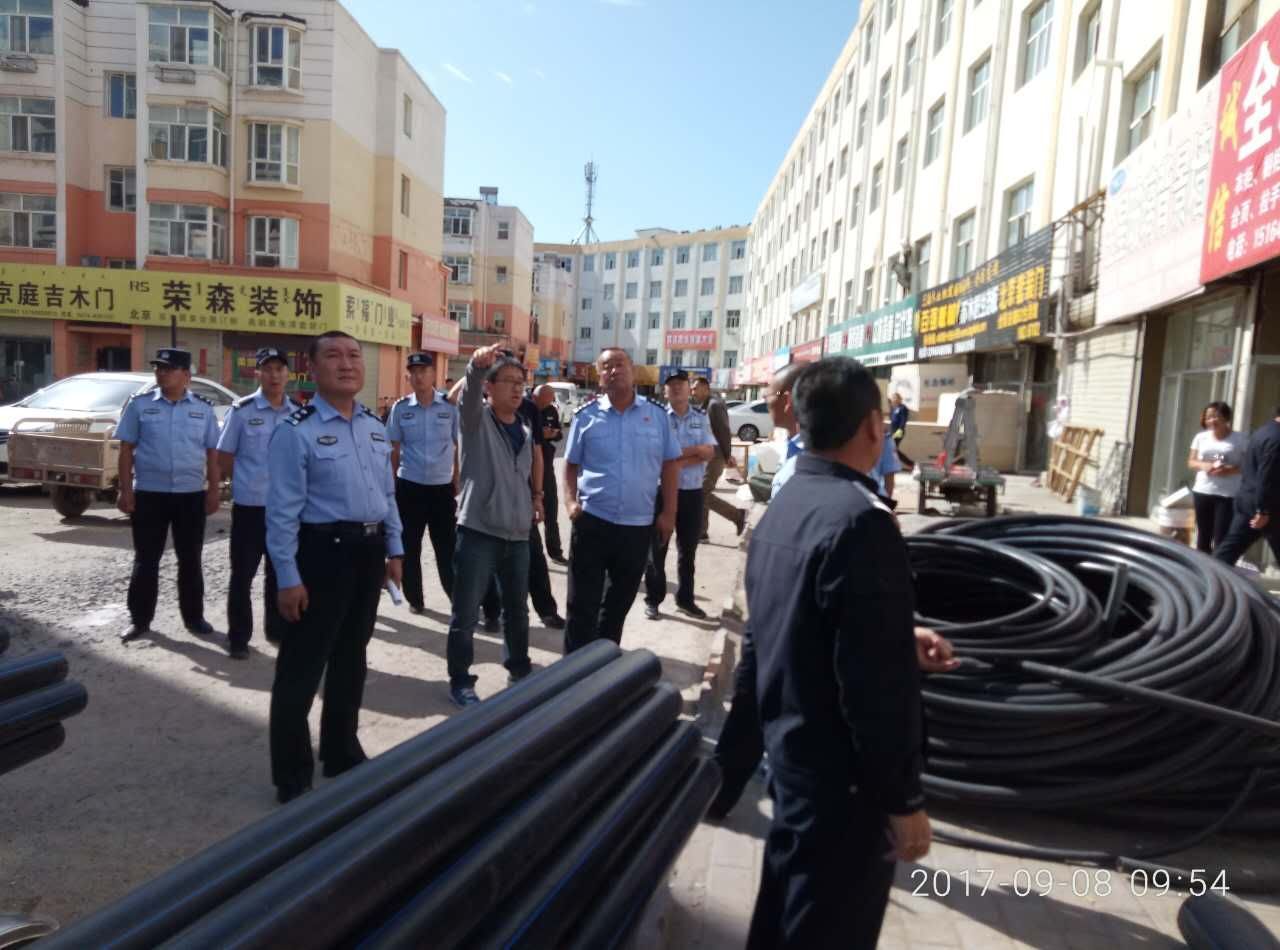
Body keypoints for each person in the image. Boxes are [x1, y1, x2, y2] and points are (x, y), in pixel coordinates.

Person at [744, 356, 932, 948]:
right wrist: (902, 797)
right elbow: (875, 687)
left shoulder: (790, 500)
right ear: (874, 426)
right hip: (845, 786)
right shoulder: (862, 522)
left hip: (792, 756)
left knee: (785, 914)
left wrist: (897, 636)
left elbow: (789, 623)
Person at [265, 330, 404, 804]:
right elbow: (281, 513)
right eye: (333, 356)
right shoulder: (295, 430)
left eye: (353, 355)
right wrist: (288, 577)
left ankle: (341, 751)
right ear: (313, 368)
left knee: (351, 658)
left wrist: (394, 550)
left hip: (367, 552)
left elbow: (387, 494)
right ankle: (292, 774)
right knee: (302, 666)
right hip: (320, 554)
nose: (346, 364)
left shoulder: (373, 426)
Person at [562, 348, 681, 651]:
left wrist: (669, 513)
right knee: (581, 605)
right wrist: (570, 502)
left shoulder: (657, 416)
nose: (614, 370)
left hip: (637, 527)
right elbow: (570, 464)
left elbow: (670, 465)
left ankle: (603, 667)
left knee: (617, 606)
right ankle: (571, 673)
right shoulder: (586, 416)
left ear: (633, 370)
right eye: (606, 366)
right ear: (599, 375)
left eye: (620, 364)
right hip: (593, 521)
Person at [444, 343, 540, 707]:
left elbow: (523, 476)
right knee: (466, 613)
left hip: (517, 535)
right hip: (479, 532)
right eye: (508, 381)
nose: (517, 389)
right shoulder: (475, 421)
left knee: (517, 609)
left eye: (521, 382)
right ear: (489, 386)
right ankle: (460, 680)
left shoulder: (525, 428)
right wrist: (475, 367)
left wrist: (534, 501)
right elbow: (466, 397)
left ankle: (519, 669)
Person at [116, 348, 221, 644]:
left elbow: (212, 454)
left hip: (190, 495)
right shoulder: (139, 405)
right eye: (158, 368)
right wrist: (125, 490)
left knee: (190, 559)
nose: (161, 373)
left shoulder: (203, 409)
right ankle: (139, 620)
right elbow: (126, 451)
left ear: (186, 375)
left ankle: (194, 617)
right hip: (150, 494)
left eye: (168, 369)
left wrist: (214, 491)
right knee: (146, 559)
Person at [215, 347, 300, 659]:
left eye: (280, 369)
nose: (274, 375)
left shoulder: (297, 413)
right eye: (268, 369)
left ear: (288, 374)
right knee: (242, 575)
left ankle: (277, 631)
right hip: (250, 507)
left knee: (279, 573)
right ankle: (239, 637)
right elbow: (225, 456)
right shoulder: (242, 410)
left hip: (285, 510)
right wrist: (244, 483)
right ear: (258, 373)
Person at [386, 352, 460, 614]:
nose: (418, 376)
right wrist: (391, 485)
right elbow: (393, 449)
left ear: (433, 375)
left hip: (442, 488)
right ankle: (415, 599)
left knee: (447, 547)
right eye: (413, 372)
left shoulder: (449, 407)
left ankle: (457, 599)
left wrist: (457, 479)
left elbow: (459, 445)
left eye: (423, 371)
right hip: (410, 485)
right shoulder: (400, 408)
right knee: (409, 545)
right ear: (408, 377)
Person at [643, 371, 717, 620]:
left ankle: (685, 600)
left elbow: (709, 452)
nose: (676, 388)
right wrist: (693, 452)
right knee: (657, 549)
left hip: (692, 492)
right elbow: (657, 454)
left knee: (688, 550)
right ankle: (653, 599)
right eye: (671, 385)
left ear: (689, 389)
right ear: (664, 391)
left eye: (681, 384)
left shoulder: (701, 417)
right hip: (662, 492)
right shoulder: (657, 418)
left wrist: (676, 460)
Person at [1215, 406, 1280, 566]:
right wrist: (1263, 510)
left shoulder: (1263, 432)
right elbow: (1267, 476)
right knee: (1230, 548)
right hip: (1267, 506)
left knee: (1229, 549)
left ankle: (1208, 575)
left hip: (1248, 500)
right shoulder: (1277, 438)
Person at [1188, 401, 1246, 554]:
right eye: (1208, 417)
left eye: (1216, 416)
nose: (1211, 420)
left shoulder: (1240, 439)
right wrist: (1204, 465)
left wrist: (1230, 470)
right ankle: (1201, 567)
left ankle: (1218, 567)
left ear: (1226, 418)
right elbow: (1191, 462)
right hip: (1203, 491)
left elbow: (1249, 466)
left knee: (1221, 537)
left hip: (1227, 494)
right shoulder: (1200, 437)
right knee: (1203, 536)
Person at [691, 377, 745, 538]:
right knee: (701, 492)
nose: (693, 392)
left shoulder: (714, 405)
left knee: (701, 493)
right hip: (706, 456)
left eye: (695, 388)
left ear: (705, 388)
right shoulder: (704, 406)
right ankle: (701, 531)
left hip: (716, 456)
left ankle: (737, 515)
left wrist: (727, 455)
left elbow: (724, 431)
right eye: (692, 389)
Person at [533, 384, 567, 563]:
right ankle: (533, 554)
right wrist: (540, 434)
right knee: (527, 515)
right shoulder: (525, 409)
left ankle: (555, 551)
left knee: (551, 509)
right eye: (545, 400)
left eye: (550, 399)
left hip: (546, 465)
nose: (549, 403)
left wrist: (553, 433)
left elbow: (559, 434)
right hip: (527, 467)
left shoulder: (551, 410)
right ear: (535, 397)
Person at [890, 392, 913, 468]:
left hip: (899, 431)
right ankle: (910, 464)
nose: (894, 399)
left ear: (900, 399)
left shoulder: (903, 408)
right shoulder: (893, 408)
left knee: (892, 449)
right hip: (893, 431)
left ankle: (910, 464)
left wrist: (900, 430)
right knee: (893, 450)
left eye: (896, 398)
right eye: (893, 398)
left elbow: (903, 420)